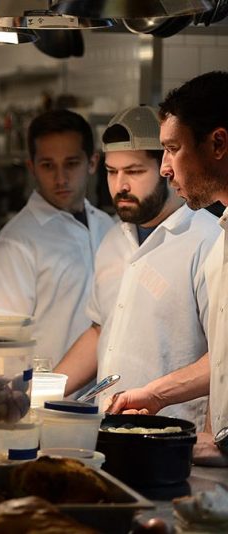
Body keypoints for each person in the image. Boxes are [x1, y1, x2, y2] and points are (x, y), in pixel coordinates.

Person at [54, 106, 218, 429]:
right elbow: (101, 330)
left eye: (134, 171)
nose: (121, 185)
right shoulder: (114, 240)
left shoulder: (208, 240)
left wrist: (213, 439)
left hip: (173, 437)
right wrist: (40, 388)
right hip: (107, 431)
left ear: (166, 168)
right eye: (112, 172)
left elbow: (222, 357)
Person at [108, 71, 228, 465]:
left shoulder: (207, 237)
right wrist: (157, 394)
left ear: (217, 144)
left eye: (173, 149)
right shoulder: (223, 240)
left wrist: (218, 440)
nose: (165, 168)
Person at [0, 109, 114, 366]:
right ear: (32, 167)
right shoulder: (15, 244)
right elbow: (0, 344)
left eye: (71, 163)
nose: (60, 178)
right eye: (48, 165)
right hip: (46, 400)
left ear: (93, 163)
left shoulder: (107, 226)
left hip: (107, 397)